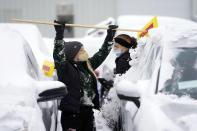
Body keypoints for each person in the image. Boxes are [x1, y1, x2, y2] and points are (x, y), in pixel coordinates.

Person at [53, 20, 118, 131]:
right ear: (73, 54)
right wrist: (59, 35)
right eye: (81, 50)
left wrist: (109, 37)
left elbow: (101, 54)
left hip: (87, 113)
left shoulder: (86, 65)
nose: (85, 52)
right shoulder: (64, 68)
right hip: (72, 115)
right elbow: (58, 55)